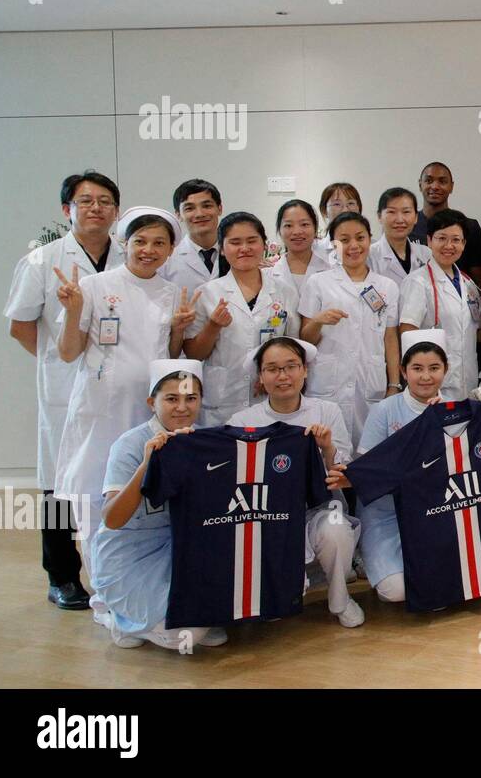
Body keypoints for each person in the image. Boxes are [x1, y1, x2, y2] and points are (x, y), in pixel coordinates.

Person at [4, 170, 125, 610]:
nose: (96, 208)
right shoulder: (42, 261)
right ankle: (61, 575)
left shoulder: (128, 257)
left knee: (112, 477)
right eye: (86, 200)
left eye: (105, 201)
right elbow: (19, 325)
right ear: (66, 210)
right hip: (64, 392)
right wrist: (57, 364)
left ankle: (117, 567)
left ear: (116, 210)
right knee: (57, 483)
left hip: (115, 389)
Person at [53, 207, 196, 552]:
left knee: (140, 490)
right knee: (92, 490)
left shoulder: (173, 292)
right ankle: (101, 592)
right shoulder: (93, 286)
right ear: (124, 243)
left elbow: (169, 357)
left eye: (159, 243)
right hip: (102, 409)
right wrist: (73, 312)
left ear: (171, 249)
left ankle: (133, 571)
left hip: (149, 413)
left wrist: (178, 330)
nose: (148, 250)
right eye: (140, 241)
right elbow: (69, 352)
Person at [227, 337, 365, 628]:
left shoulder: (327, 412)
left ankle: (340, 600)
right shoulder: (242, 420)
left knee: (337, 529)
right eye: (273, 369)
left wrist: (326, 448)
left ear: (305, 371)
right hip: (265, 514)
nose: (283, 376)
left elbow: (343, 474)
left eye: (291, 366)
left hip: (318, 508)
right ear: (261, 377)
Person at [90, 360, 227, 650]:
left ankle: (186, 617)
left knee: (217, 614)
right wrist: (147, 465)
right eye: (171, 399)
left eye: (191, 398)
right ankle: (118, 618)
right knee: (184, 636)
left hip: (182, 550)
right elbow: (112, 519)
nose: (182, 408)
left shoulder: (207, 441)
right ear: (153, 402)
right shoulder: (130, 445)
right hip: (130, 555)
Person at [351, 330, 448, 605]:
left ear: (446, 370)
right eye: (417, 368)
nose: (426, 377)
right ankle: (366, 552)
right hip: (386, 513)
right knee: (395, 591)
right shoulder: (385, 410)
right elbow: (367, 470)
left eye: (434, 368)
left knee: (443, 580)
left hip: (434, 511)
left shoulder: (452, 409)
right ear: (404, 372)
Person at [183, 212, 302, 426]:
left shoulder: (285, 292)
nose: (244, 248)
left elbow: (293, 345)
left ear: (264, 244)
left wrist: (272, 377)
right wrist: (213, 326)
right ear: (222, 248)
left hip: (271, 396)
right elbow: (193, 353)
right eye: (235, 242)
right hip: (223, 400)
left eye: (252, 241)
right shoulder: (207, 293)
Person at [298, 211, 401, 446]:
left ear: (370, 239)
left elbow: (390, 338)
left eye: (360, 238)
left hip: (370, 382)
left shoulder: (387, 286)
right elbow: (305, 339)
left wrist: (393, 384)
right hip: (327, 383)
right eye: (344, 240)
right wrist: (318, 321)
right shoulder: (318, 283)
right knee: (328, 450)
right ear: (334, 244)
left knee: (370, 449)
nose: (353, 246)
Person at [399, 208, 481, 400]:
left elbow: (479, 330)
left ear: (464, 244)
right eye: (441, 238)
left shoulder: (468, 284)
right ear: (429, 241)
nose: (449, 245)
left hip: (467, 380)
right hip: (431, 385)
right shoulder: (418, 282)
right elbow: (407, 332)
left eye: (456, 240)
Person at [407, 161, 481, 288]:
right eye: (428, 181)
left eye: (442, 181)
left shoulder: (469, 226)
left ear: (451, 186)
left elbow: (479, 281)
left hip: (458, 299)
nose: (435, 186)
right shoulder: (408, 226)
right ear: (420, 185)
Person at [162, 179, 225, 293]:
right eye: (189, 208)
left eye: (207, 206)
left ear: (219, 209)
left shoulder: (235, 252)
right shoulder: (167, 260)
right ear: (178, 215)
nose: (200, 214)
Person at [368, 187, 433, 288]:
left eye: (406, 212)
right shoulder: (369, 256)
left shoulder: (426, 254)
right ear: (379, 216)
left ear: (416, 217)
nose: (399, 219)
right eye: (391, 212)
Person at [272, 199, 334, 293]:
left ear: (315, 228)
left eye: (304, 224)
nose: (297, 232)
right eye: (288, 225)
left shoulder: (331, 270)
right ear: (279, 230)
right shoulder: (268, 274)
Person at [314, 182, 361, 259]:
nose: (345, 210)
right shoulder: (315, 249)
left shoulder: (372, 247)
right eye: (337, 204)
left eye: (351, 203)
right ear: (324, 211)